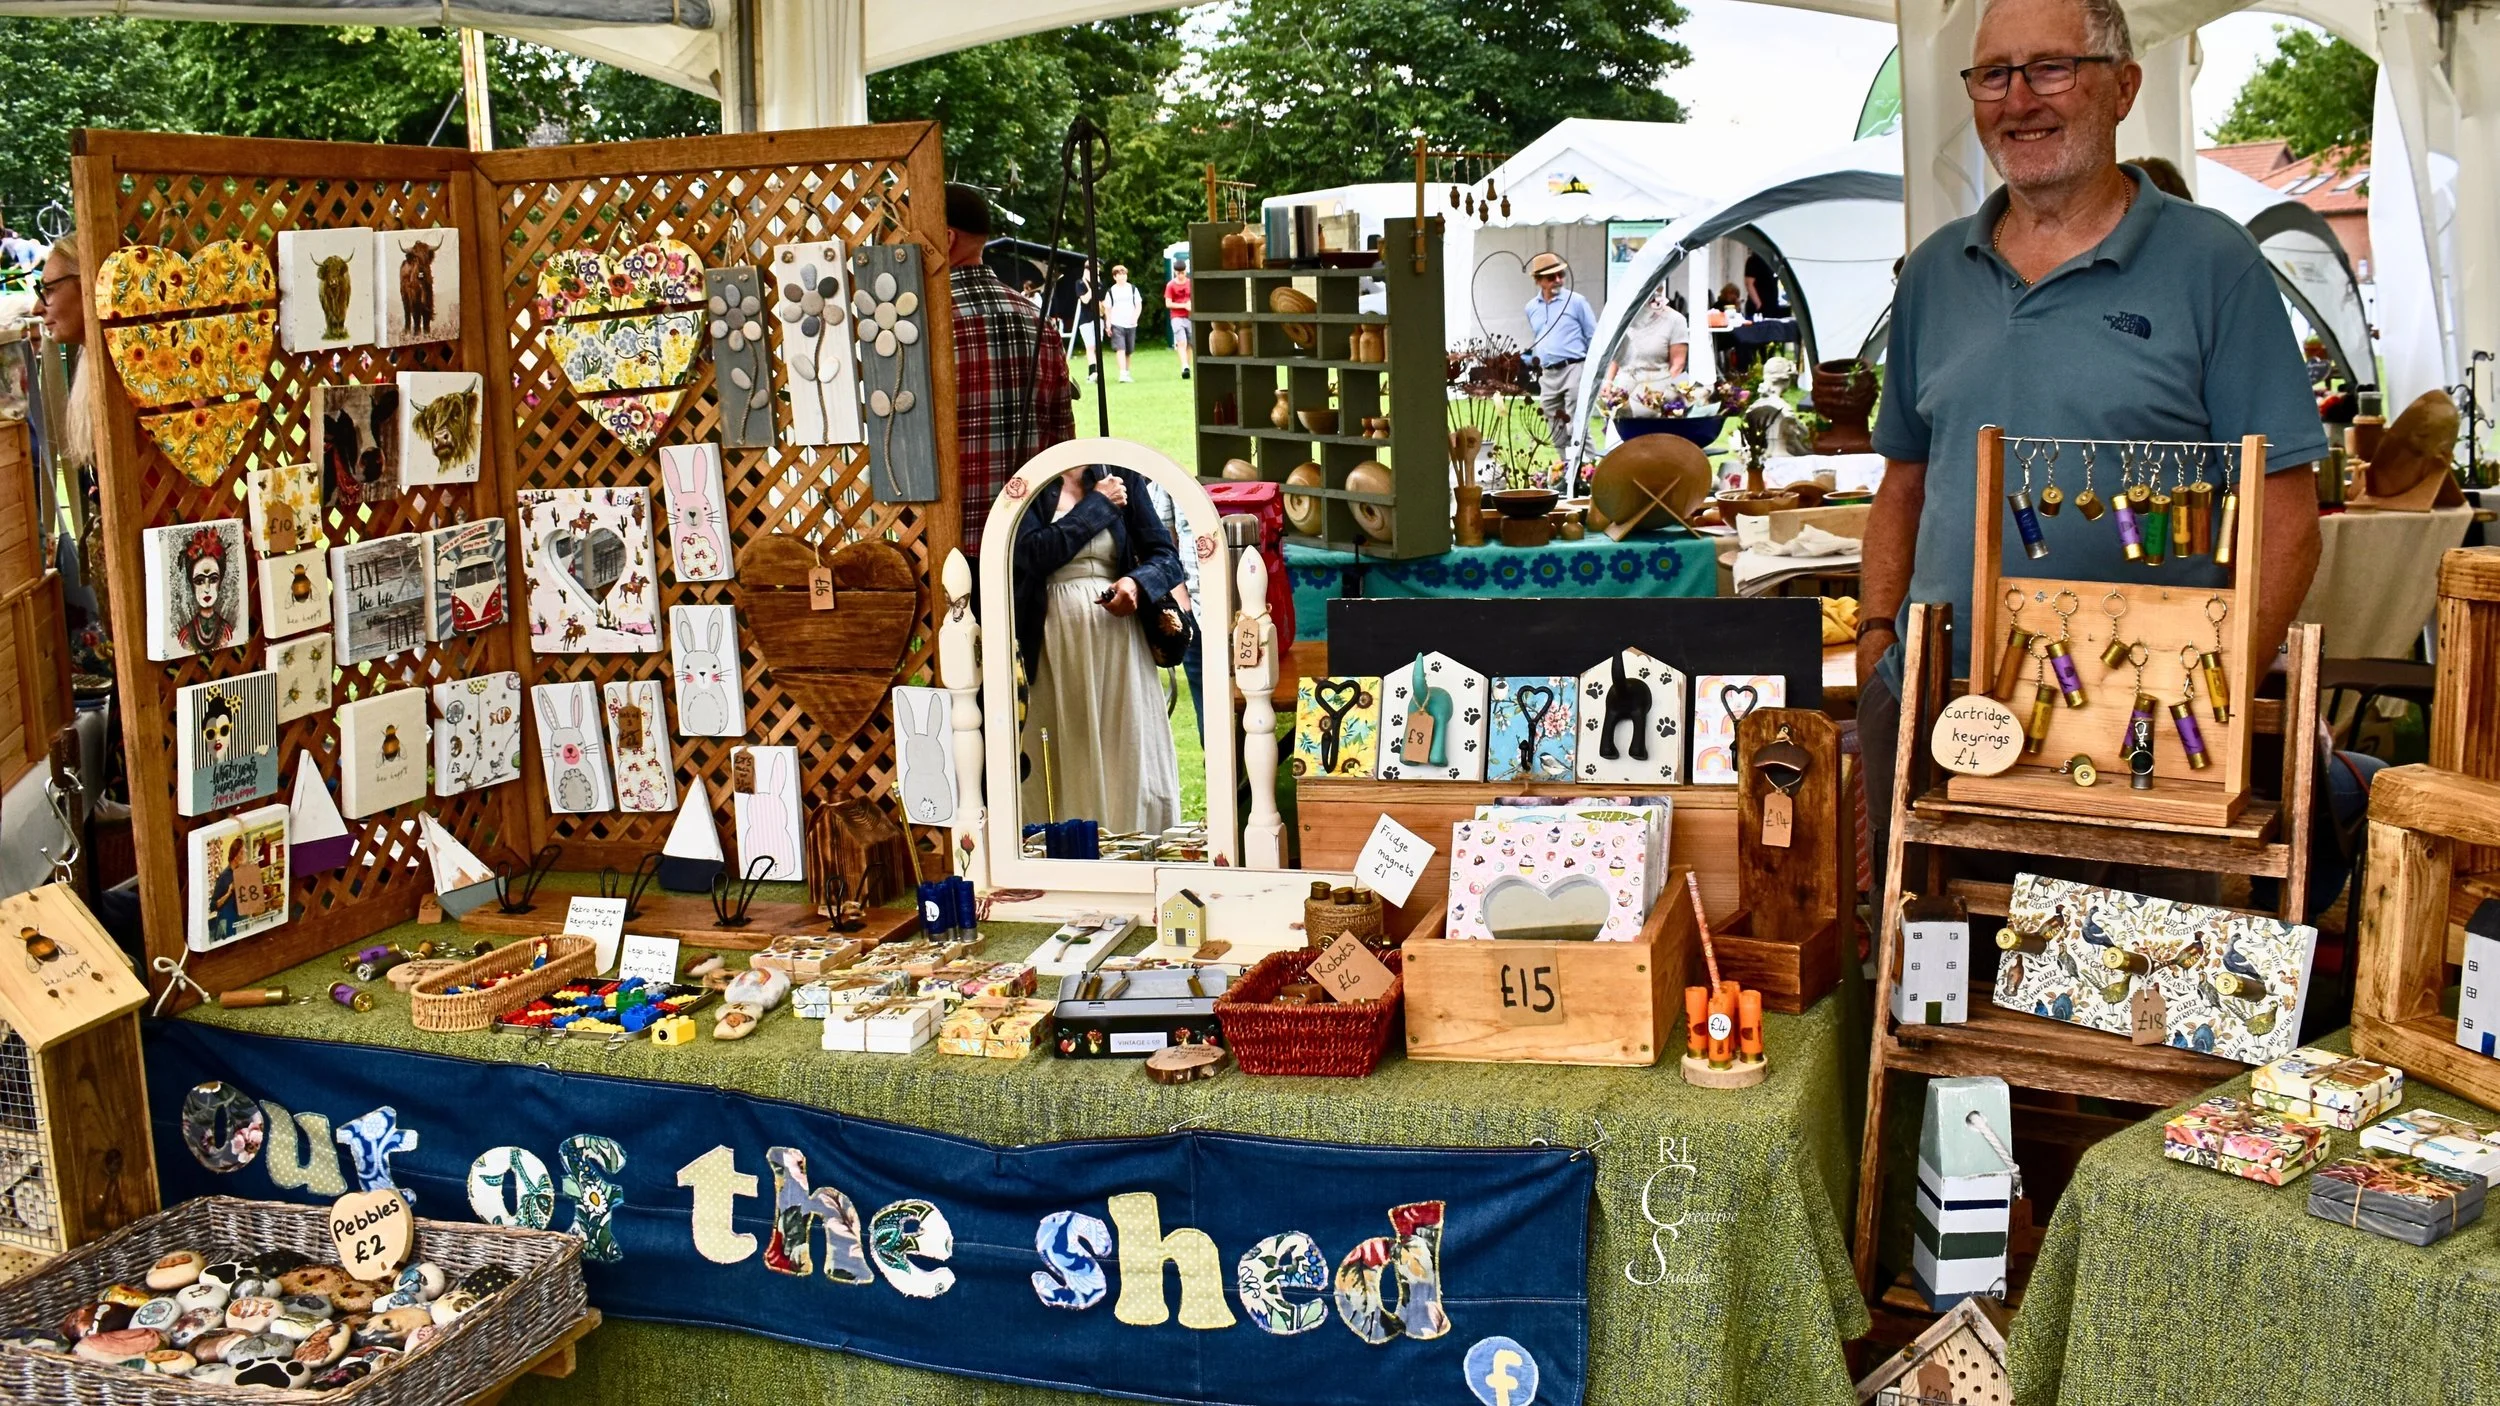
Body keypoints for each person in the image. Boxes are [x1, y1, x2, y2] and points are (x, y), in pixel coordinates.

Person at [1855, 0, 2326, 880]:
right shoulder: (1932, 274)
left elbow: (2287, 520)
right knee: (1931, 983)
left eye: (2051, 69)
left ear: (2124, 87)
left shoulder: (2213, 265)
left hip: (2140, 718)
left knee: (2132, 990)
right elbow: (1905, 484)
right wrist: (1884, 641)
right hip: (1941, 706)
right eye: (1994, 74)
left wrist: (2207, 707)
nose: (2018, 99)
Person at [1013, 464, 1185, 835]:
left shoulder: (1121, 474)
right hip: (1051, 641)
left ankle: (1135, 847)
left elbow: (1167, 558)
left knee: (1125, 749)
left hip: (1119, 641)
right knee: (1062, 749)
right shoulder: (1030, 479)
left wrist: (1137, 584)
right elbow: (1032, 554)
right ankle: (1063, 851)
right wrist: (1097, 506)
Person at [945, 183, 1075, 556]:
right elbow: (1062, 441)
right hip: (1022, 536)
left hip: (939, 541)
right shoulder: (1037, 321)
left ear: (947, 237)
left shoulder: (923, 323)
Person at [1522, 251, 1597, 469]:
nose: (1557, 280)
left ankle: (1588, 469)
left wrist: (1593, 370)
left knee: (1576, 420)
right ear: (1538, 281)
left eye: (1560, 275)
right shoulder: (1531, 307)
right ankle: (1565, 469)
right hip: (1547, 372)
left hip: (1574, 366)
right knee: (1554, 424)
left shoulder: (1576, 301)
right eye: (1550, 277)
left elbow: (1593, 336)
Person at [1102, 265, 1144, 382]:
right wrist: (1108, 324)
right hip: (1117, 323)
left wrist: (1135, 317)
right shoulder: (1111, 291)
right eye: (1119, 274)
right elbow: (1108, 309)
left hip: (1130, 324)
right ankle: (1122, 373)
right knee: (1120, 348)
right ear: (1115, 277)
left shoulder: (1133, 289)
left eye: (1124, 274)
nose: (1122, 277)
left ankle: (1126, 372)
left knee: (1128, 350)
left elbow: (1138, 305)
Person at [1164, 257, 1193, 380]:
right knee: (1182, 342)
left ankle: (1188, 366)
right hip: (1177, 317)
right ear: (1175, 272)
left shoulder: (1190, 283)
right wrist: (1183, 305)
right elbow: (1168, 303)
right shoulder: (1171, 285)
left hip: (1190, 317)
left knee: (1190, 343)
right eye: (1178, 273)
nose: (1180, 275)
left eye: (1182, 272)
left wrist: (1191, 305)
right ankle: (1184, 366)